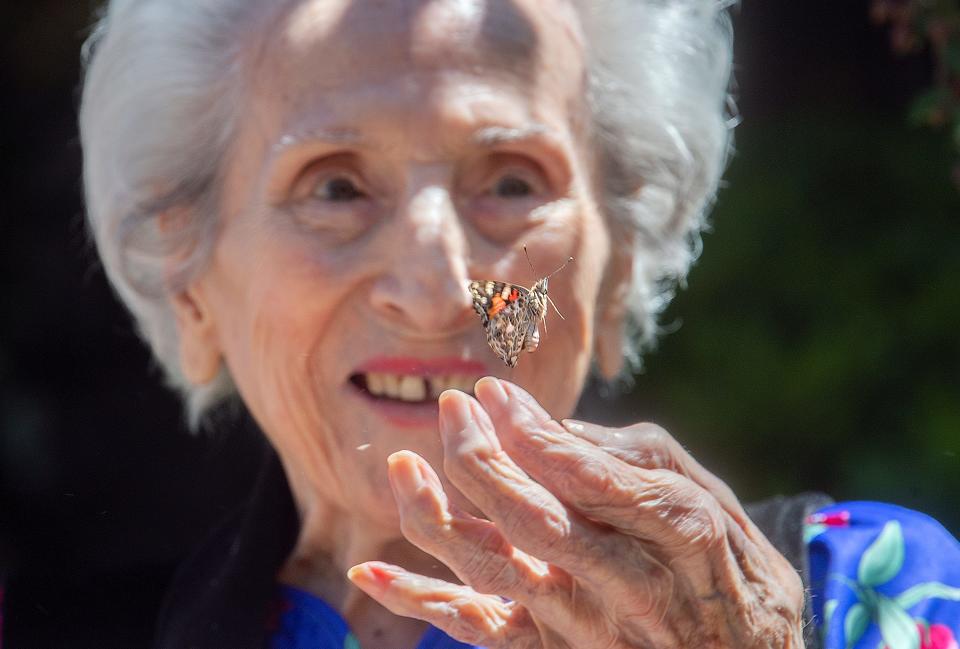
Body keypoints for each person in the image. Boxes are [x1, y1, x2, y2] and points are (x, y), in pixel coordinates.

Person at [77, 0, 960, 648]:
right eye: (335, 188)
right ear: (191, 285)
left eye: (510, 183)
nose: (436, 293)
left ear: (616, 271)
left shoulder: (862, 594)